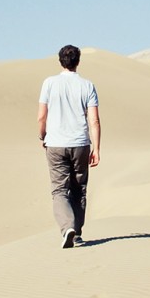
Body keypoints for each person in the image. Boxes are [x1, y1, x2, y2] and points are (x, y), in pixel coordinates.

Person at [38, 45, 101, 249]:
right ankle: (78, 233)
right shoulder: (87, 85)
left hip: (55, 143)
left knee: (59, 191)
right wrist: (97, 149)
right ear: (78, 61)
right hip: (80, 143)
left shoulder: (49, 83)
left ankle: (67, 228)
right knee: (79, 190)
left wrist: (42, 135)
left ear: (60, 61)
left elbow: (42, 116)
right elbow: (94, 121)